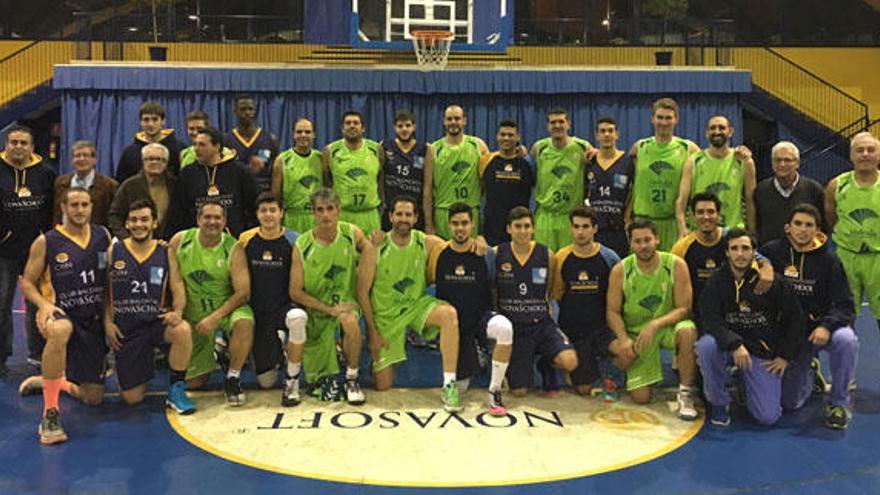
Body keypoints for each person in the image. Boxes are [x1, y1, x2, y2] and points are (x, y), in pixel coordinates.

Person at [18, 188, 110, 444]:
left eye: (84, 205)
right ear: (63, 207)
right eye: (74, 205)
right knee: (60, 331)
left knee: (93, 398)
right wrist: (43, 305)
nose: (79, 210)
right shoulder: (47, 241)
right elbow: (27, 282)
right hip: (61, 313)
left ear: (91, 207)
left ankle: (55, 381)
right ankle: (50, 412)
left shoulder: (103, 235)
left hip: (91, 321)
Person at [761, 204, 858, 429]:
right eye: (798, 224)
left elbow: (845, 305)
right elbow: (748, 253)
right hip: (791, 336)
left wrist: (826, 325)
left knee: (846, 340)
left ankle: (839, 403)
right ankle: (810, 372)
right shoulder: (773, 253)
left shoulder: (830, 260)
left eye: (809, 225)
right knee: (790, 403)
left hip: (820, 330)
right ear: (788, 228)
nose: (802, 230)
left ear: (817, 230)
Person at [696, 229, 805, 427]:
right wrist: (734, 344)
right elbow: (710, 320)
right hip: (730, 346)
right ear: (727, 252)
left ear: (754, 252)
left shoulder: (772, 282)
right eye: (734, 249)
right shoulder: (716, 282)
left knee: (767, 417)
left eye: (745, 248)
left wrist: (785, 356)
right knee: (706, 346)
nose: (740, 253)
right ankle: (719, 403)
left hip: (759, 348)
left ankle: (746, 383)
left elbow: (795, 319)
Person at [368, 196, 462, 411]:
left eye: (408, 214)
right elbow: (362, 292)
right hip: (387, 315)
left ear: (416, 218)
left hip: (415, 306)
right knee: (382, 385)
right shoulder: (377, 245)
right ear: (390, 216)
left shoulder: (425, 241)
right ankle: (382, 353)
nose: (403, 219)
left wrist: (478, 243)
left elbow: (458, 244)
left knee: (449, 315)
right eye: (399, 214)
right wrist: (372, 331)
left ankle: (450, 385)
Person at [103, 199, 195, 413]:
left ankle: (176, 388)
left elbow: (178, 284)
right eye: (133, 220)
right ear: (126, 224)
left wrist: (178, 311)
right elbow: (105, 292)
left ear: (154, 223)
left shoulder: (166, 251)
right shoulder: (113, 251)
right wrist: (108, 323)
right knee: (132, 398)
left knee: (182, 330)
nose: (139, 224)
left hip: (156, 321)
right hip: (128, 328)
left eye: (144, 219)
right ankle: (138, 367)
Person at [289, 188, 376, 405]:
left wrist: (363, 282)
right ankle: (332, 351)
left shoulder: (350, 233)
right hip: (318, 310)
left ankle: (352, 377)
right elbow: (295, 291)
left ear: (338, 210)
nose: (325, 215)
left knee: (350, 321)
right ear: (313, 213)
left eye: (330, 209)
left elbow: (368, 247)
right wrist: (329, 310)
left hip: (345, 304)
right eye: (320, 210)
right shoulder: (302, 244)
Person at [606, 218, 698, 419]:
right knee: (641, 398)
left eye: (647, 240)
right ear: (630, 244)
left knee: (687, 330)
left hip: (666, 328)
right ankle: (626, 369)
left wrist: (655, 324)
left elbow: (684, 308)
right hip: (637, 334)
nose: (643, 246)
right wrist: (623, 339)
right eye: (637, 241)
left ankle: (685, 392)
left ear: (657, 239)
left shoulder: (675, 265)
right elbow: (612, 311)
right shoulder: (621, 270)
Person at [427, 202, 513, 415]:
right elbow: (428, 282)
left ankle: (494, 391)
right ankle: (457, 378)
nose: (460, 228)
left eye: (464, 223)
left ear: (473, 224)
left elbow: (494, 287)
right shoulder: (439, 253)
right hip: (454, 327)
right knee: (462, 386)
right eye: (455, 223)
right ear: (448, 226)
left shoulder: (485, 254)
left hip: (480, 319)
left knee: (505, 328)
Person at [167, 201, 254, 406]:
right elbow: (176, 282)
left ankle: (232, 377)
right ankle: (218, 353)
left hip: (224, 311)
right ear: (198, 219)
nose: (212, 222)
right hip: (195, 314)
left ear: (224, 221)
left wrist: (216, 317)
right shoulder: (180, 241)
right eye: (207, 217)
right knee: (194, 382)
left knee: (244, 321)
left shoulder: (233, 247)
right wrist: (178, 311)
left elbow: (243, 293)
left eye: (217, 218)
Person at [495, 207, 578, 397]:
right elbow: (494, 290)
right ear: (509, 229)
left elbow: (548, 291)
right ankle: (524, 360)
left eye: (526, 226)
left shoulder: (546, 254)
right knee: (519, 392)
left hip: (541, 324)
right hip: (514, 327)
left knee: (570, 361)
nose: (522, 231)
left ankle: (546, 363)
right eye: (517, 226)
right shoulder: (498, 253)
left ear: (533, 228)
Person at [551, 206, 628, 399]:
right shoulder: (561, 257)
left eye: (585, 226)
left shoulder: (610, 258)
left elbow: (619, 296)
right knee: (583, 390)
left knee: (628, 353)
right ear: (571, 229)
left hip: (602, 329)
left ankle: (606, 371)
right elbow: (557, 295)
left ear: (595, 229)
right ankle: (573, 363)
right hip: (574, 331)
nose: (580, 232)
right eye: (576, 226)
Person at [238, 192, 308, 405]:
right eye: (263, 211)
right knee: (266, 383)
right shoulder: (245, 240)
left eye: (273, 210)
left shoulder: (294, 240)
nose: (268, 215)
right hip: (258, 312)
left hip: (284, 308)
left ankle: (292, 380)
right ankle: (276, 348)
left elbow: (299, 283)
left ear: (281, 213)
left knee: (298, 318)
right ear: (257, 214)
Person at [0, 124, 56, 375]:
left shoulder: (45, 173)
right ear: (6, 144)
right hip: (4, 251)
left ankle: (38, 353)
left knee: (39, 302)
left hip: (36, 249)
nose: (18, 147)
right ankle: (1, 357)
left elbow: (51, 210)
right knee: (2, 303)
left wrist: (48, 241)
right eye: (14, 142)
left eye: (24, 143)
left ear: (32, 147)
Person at [824, 132, 880, 327]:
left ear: (878, 155)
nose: (865, 154)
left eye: (871, 150)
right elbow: (831, 217)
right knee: (845, 317)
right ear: (851, 155)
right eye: (859, 150)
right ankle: (846, 358)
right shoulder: (837, 185)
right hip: (847, 257)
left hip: (878, 258)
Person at [630, 98, 699, 251]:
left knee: (672, 271)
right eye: (660, 117)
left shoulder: (688, 148)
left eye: (668, 117)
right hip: (643, 222)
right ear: (652, 119)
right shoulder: (640, 147)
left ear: (676, 119)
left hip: (672, 223)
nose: (664, 122)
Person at [168, 126, 258, 237]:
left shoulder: (240, 171)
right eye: (195, 144)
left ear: (217, 146)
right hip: (197, 242)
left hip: (233, 240)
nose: (196, 149)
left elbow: (252, 206)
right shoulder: (187, 173)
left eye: (202, 145)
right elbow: (178, 212)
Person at [675, 115, 756, 235]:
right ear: (707, 133)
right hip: (700, 232)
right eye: (713, 128)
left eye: (722, 128)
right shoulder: (693, 161)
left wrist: (752, 232)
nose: (717, 131)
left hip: (732, 232)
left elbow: (750, 201)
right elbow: (681, 201)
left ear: (730, 132)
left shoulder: (743, 161)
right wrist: (682, 229)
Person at [531, 107, 593, 252]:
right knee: (544, 261)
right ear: (548, 126)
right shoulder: (539, 148)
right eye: (553, 122)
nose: (557, 125)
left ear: (568, 124)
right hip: (545, 216)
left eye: (561, 121)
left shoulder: (582, 146)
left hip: (570, 216)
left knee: (568, 263)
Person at [425, 105, 489, 239]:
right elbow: (428, 188)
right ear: (444, 121)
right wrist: (428, 224)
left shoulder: (478, 145)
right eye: (449, 119)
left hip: (470, 212)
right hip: (444, 213)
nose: (453, 122)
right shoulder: (434, 149)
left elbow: (487, 181)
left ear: (464, 120)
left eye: (457, 118)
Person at [322, 110, 382, 235]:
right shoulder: (330, 151)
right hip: (343, 213)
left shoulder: (376, 149)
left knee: (371, 253)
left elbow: (380, 178)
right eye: (348, 123)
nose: (352, 126)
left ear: (363, 128)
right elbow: (326, 181)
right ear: (342, 128)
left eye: (356, 123)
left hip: (369, 214)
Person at [754, 141, 824, 245]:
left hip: (805, 254)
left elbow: (822, 225)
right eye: (778, 160)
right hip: (769, 256)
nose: (782, 164)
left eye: (787, 160)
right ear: (772, 163)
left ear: (797, 163)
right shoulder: (761, 190)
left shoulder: (814, 189)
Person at [480, 120, 534, 246]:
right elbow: (481, 190)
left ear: (518, 137)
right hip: (492, 228)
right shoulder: (486, 161)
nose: (506, 138)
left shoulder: (526, 165)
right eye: (503, 134)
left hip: (519, 228)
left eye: (510, 135)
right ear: (497, 136)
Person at [108, 143, 177, 240]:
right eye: (150, 159)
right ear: (143, 161)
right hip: (135, 246)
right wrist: (127, 239)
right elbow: (114, 217)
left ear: (166, 163)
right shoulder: (129, 186)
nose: (154, 162)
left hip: (168, 245)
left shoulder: (175, 185)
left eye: (159, 159)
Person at [585, 116, 633, 258]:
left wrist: (628, 216)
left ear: (616, 134)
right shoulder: (589, 161)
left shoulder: (628, 162)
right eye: (603, 131)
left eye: (610, 131)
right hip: (595, 229)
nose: (606, 134)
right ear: (597, 135)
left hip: (618, 229)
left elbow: (634, 191)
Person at [380, 109, 432, 232]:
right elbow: (380, 180)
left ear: (414, 127)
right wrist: (382, 205)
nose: (404, 129)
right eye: (400, 126)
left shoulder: (425, 149)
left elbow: (428, 186)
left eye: (408, 125)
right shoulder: (385, 146)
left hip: (415, 212)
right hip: (392, 212)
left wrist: (428, 222)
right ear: (394, 128)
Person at [272, 117, 323, 235]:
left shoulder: (321, 158)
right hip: (292, 218)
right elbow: (276, 195)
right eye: (299, 132)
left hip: (316, 217)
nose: (303, 135)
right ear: (293, 135)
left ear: (314, 135)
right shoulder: (282, 160)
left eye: (308, 132)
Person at [52, 140, 118, 226]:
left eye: (86, 155)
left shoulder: (109, 186)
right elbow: (56, 214)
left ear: (94, 160)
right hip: (64, 236)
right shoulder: (60, 183)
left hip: (95, 236)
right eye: (77, 156)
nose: (81, 159)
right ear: (72, 160)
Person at [115, 101, 183, 183]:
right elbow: (121, 184)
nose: (150, 124)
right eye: (146, 120)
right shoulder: (129, 153)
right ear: (140, 122)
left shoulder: (179, 149)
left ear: (163, 121)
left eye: (155, 119)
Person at [225, 94, 279, 193]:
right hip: (236, 193)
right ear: (235, 112)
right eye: (243, 109)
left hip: (262, 193)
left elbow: (277, 173)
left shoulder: (270, 139)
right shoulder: (226, 140)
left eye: (250, 109)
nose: (247, 112)